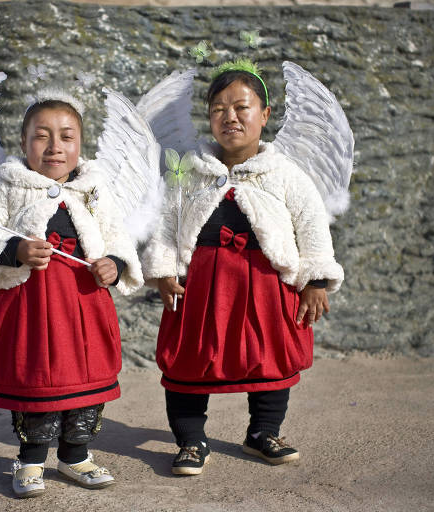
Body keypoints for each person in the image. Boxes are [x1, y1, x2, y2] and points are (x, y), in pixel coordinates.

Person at [141, 60, 345, 475]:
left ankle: (263, 432)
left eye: (241, 107)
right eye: (218, 108)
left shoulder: (287, 174)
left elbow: (311, 225)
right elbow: (165, 223)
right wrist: (163, 271)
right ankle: (191, 440)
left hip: (268, 286)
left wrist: (316, 279)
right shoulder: (188, 172)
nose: (229, 117)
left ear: (265, 116)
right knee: (189, 360)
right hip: (200, 285)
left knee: (270, 359)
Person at [0, 88, 143, 497]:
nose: (54, 147)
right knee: (36, 377)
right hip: (29, 306)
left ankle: (75, 454)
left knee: (85, 376)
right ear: (24, 143)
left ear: (80, 144)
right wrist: (16, 249)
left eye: (66, 136)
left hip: (83, 305)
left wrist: (113, 263)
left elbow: (119, 238)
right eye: (41, 136)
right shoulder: (7, 186)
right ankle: (30, 459)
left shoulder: (93, 192)